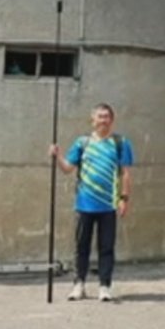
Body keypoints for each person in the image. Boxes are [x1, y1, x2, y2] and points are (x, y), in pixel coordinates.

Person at [49, 103, 134, 302]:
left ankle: (105, 286)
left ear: (112, 120)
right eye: (100, 116)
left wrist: (124, 198)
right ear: (92, 120)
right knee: (81, 246)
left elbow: (126, 174)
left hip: (108, 205)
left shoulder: (121, 143)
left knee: (106, 247)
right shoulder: (82, 143)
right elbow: (68, 168)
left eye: (107, 116)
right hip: (84, 204)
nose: (103, 120)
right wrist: (57, 155)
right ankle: (79, 284)